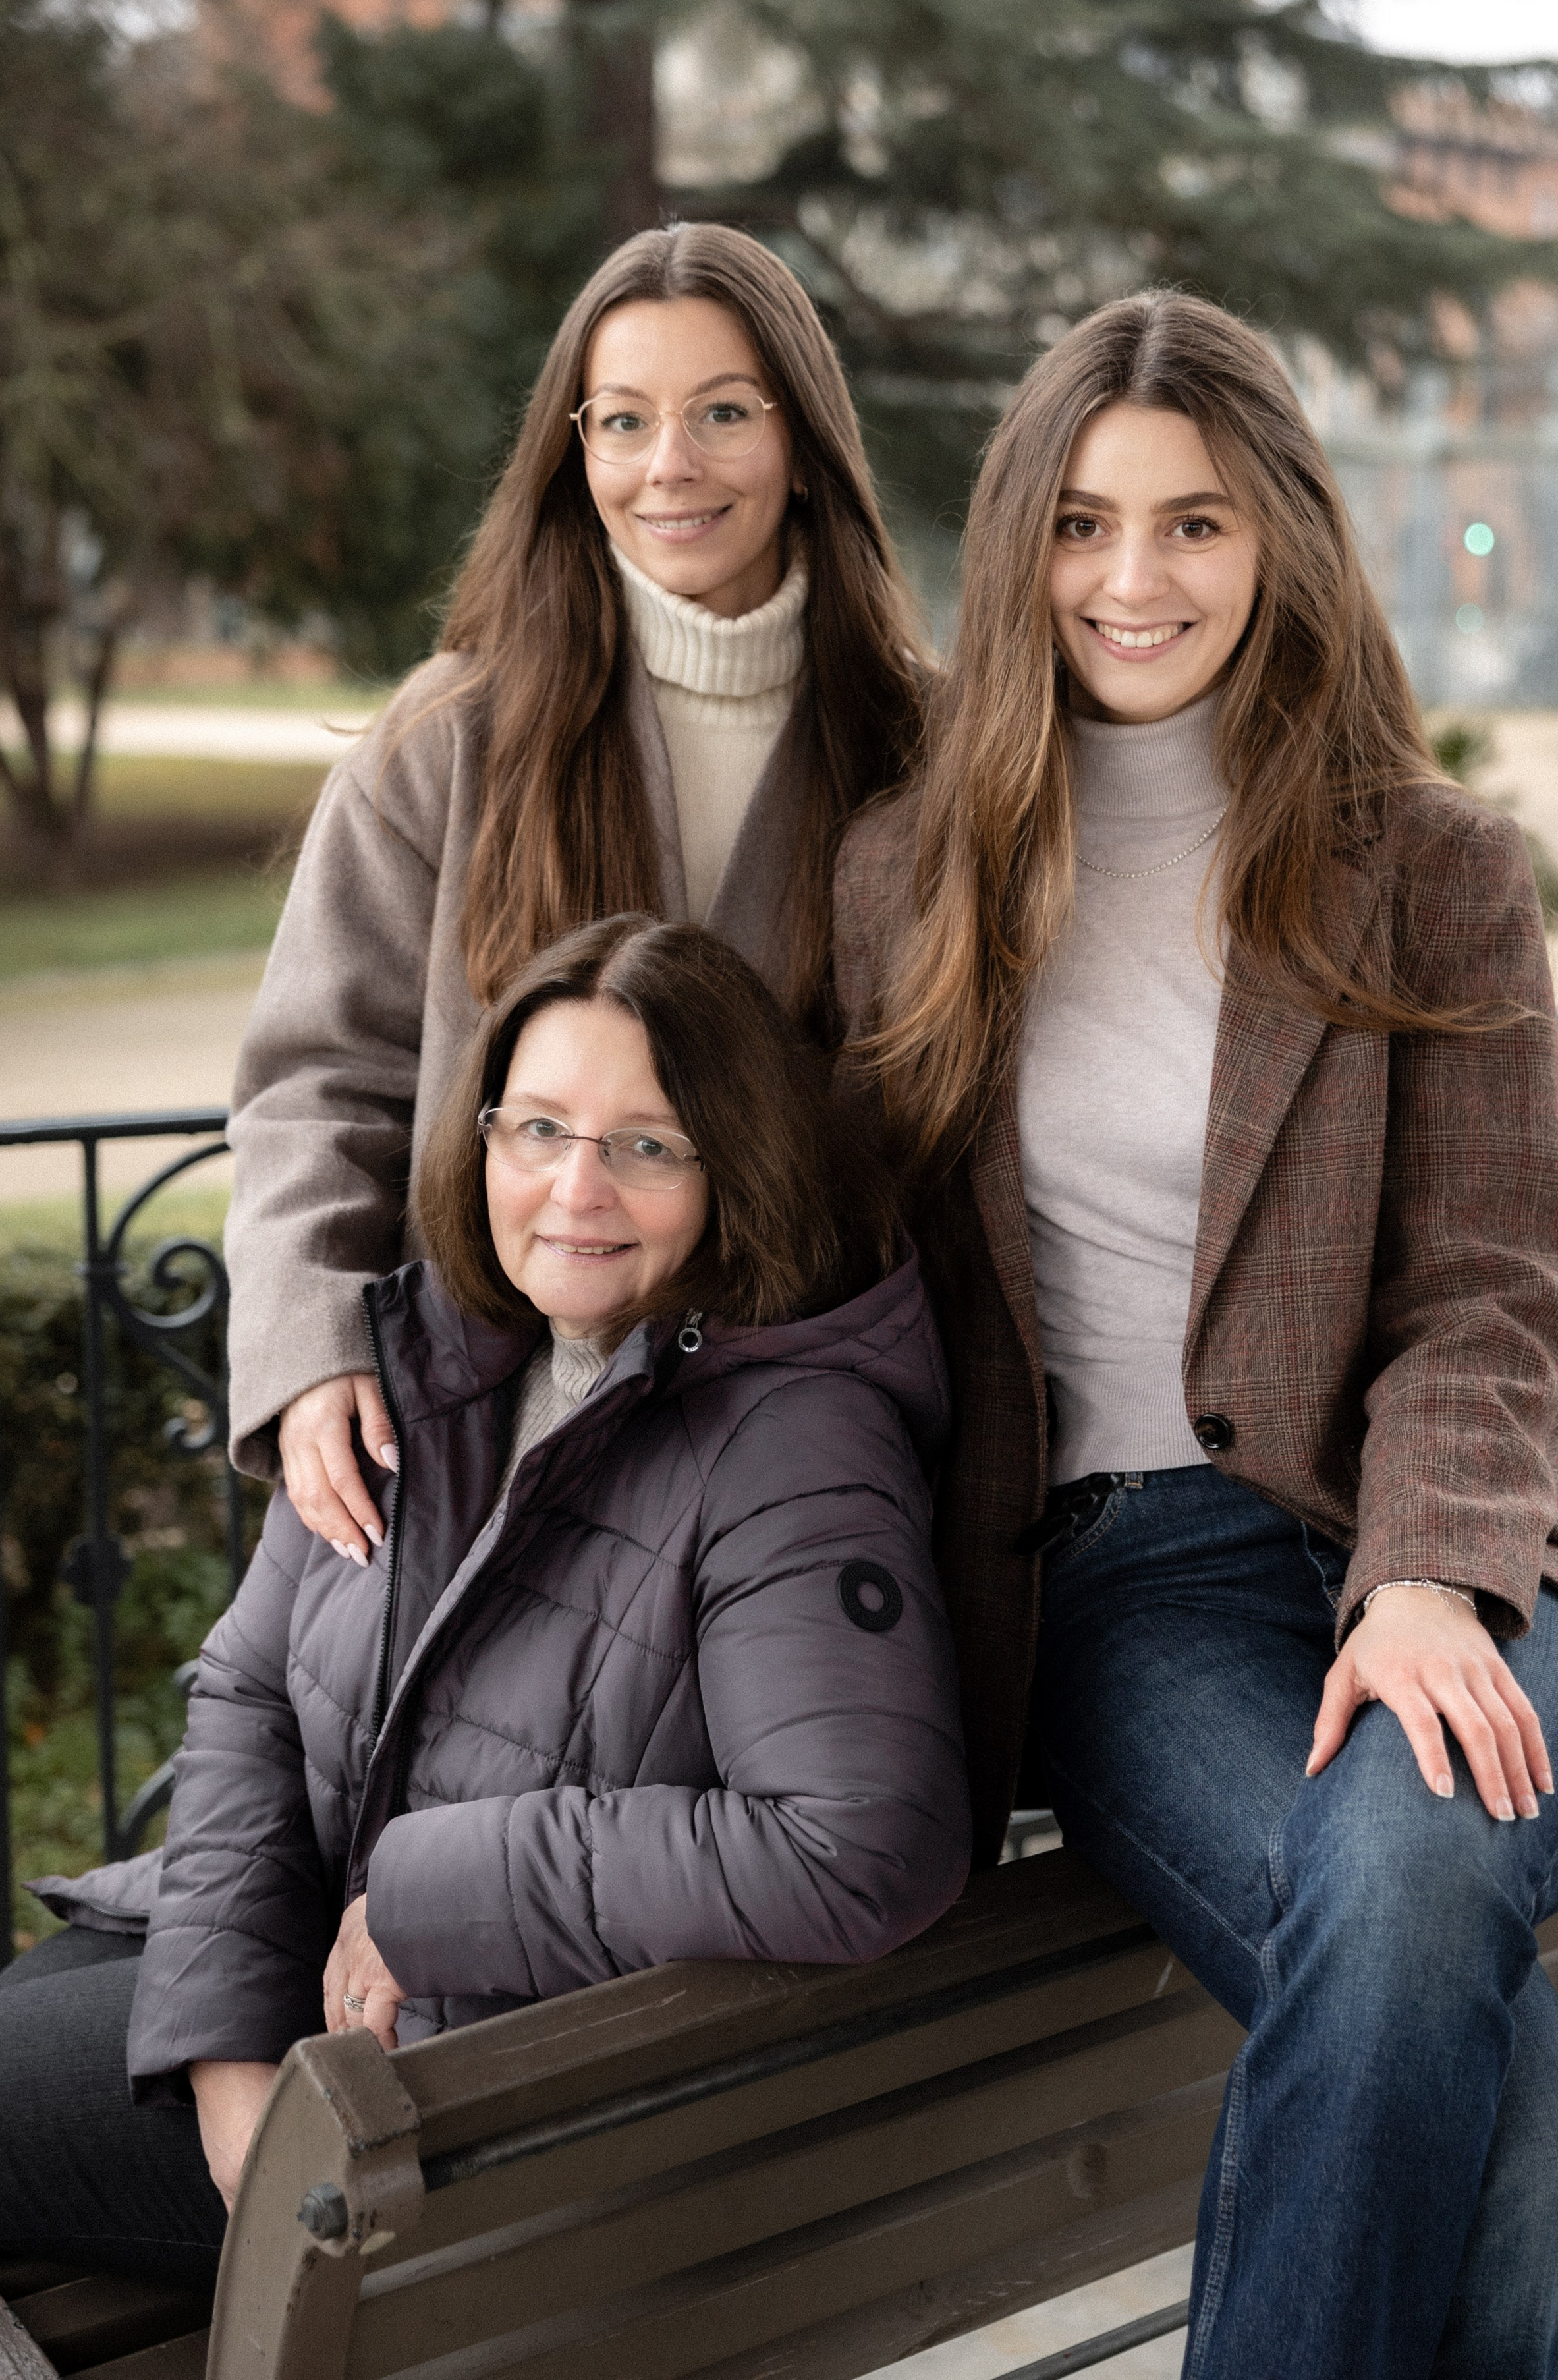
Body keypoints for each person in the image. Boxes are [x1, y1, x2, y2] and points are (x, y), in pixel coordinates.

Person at [831, 291, 1558, 2380]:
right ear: (1021, 540)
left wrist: (1421, 1575)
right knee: (1527, 2162)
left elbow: (1496, 1284)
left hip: (1483, 1549)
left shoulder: (1433, 864)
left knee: (1405, 1874)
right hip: (1134, 1584)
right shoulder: (906, 879)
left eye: (1197, 524)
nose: (1137, 579)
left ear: (1283, 535)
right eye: (1089, 525)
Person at [2, 915, 971, 2288]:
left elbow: (857, 1843)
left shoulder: (792, 1444)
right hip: (304, 2019)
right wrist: (223, 2068)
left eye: (644, 1145)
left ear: (733, 1169)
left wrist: (424, 1891)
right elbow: (249, 1691)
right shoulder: (430, 1358)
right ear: (482, 1139)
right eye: (536, 1130)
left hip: (482, 2102)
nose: (573, 1188)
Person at [225, 220, 927, 1569]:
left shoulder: (922, 744)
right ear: (574, 449)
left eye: (723, 412)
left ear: (802, 443)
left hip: (803, 1468)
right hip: (485, 1445)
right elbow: (319, 1083)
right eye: (622, 421)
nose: (669, 464)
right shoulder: (451, 738)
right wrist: (308, 1345)